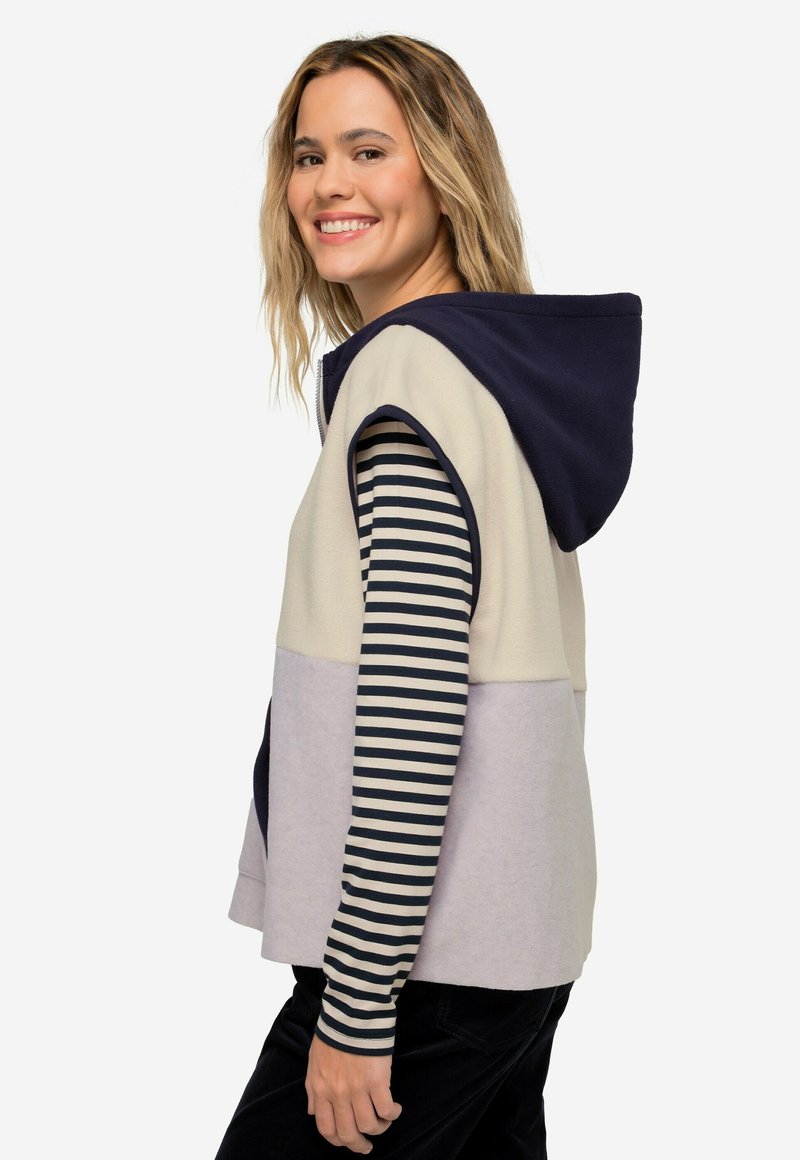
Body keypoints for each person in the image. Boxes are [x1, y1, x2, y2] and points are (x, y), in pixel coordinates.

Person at [214, 33, 642, 1159]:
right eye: (308, 155)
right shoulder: (491, 377)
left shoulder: (410, 383)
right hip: (512, 946)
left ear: (445, 171)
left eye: (369, 150)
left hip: (419, 974)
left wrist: (357, 1005)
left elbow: (413, 707)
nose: (329, 185)